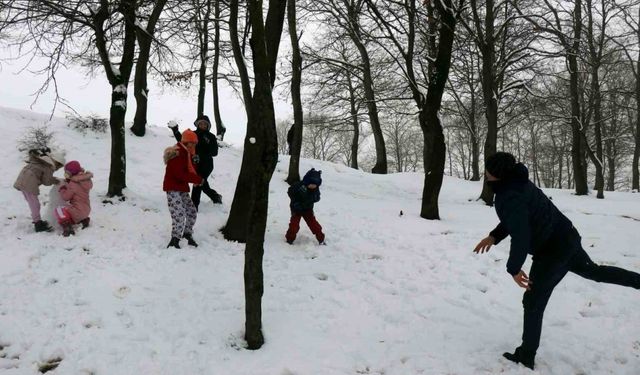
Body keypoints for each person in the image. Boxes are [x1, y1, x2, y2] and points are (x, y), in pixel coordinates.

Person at [473, 152, 640, 370]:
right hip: (567, 237)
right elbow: (518, 219)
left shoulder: (509, 195)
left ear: (497, 175)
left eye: (488, 171)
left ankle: (526, 355)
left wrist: (513, 268)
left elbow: (521, 234)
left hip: (552, 251)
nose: (485, 174)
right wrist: (494, 236)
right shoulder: (518, 183)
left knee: (533, 301)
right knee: (594, 272)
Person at [168, 115, 221, 209]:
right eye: (201, 123)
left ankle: (193, 206)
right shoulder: (192, 134)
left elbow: (215, 152)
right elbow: (182, 141)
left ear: (208, 125)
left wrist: (206, 145)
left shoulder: (211, 136)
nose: (203, 125)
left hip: (207, 164)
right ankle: (215, 196)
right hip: (195, 163)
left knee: (198, 183)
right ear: (197, 124)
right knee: (202, 183)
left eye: (205, 124)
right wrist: (176, 131)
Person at [163, 129, 203, 249]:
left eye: (195, 143)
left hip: (181, 188)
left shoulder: (187, 153)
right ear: (186, 142)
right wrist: (197, 180)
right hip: (173, 188)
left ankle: (187, 234)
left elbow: (189, 170)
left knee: (191, 211)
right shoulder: (178, 153)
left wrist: (194, 161)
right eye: (192, 142)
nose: (194, 145)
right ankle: (175, 239)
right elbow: (179, 174)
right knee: (178, 214)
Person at [13, 148, 66, 232]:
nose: (58, 168)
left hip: (23, 178)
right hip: (29, 182)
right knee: (35, 204)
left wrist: (52, 178)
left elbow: (41, 175)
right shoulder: (49, 166)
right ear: (56, 162)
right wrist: (54, 180)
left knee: (32, 203)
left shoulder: (43, 160)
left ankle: (37, 221)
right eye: (59, 166)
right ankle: (38, 224)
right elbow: (46, 181)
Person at [285, 168, 326, 245]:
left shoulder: (315, 190)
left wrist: (314, 197)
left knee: (314, 225)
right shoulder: (299, 186)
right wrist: (295, 201)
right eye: (311, 184)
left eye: (315, 185)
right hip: (296, 209)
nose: (313, 186)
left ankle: (321, 238)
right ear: (307, 181)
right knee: (294, 225)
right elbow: (290, 191)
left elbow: (317, 198)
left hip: (308, 209)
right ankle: (289, 239)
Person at [56, 160, 93, 237]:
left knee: (59, 210)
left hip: (78, 212)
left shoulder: (73, 184)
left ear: (69, 173)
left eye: (66, 173)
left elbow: (66, 197)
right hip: (87, 210)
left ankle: (67, 227)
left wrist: (63, 190)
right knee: (76, 208)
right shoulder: (85, 180)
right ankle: (84, 220)